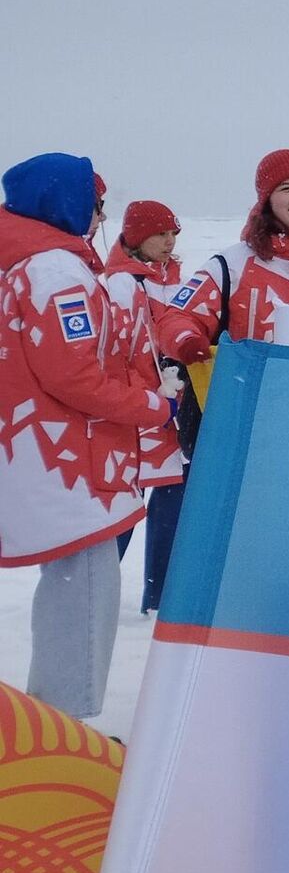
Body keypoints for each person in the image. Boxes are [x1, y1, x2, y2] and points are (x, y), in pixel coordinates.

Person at [0, 154, 170, 720]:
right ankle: (67, 725)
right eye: (96, 205)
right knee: (85, 589)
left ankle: (57, 719)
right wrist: (151, 405)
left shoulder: (21, 265)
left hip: (42, 455)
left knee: (72, 586)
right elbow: (72, 374)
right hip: (68, 462)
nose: (100, 217)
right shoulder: (54, 270)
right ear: (67, 203)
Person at [159, 150, 289, 365]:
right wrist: (186, 341)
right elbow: (176, 318)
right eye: (286, 188)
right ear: (267, 201)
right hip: (259, 395)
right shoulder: (230, 266)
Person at [102, 199, 187, 612]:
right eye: (160, 234)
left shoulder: (176, 277)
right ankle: (94, 589)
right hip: (139, 408)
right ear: (137, 238)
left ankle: (158, 595)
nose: (169, 242)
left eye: (173, 233)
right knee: (125, 497)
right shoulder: (120, 284)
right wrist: (144, 392)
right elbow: (115, 348)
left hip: (171, 403)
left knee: (171, 489)